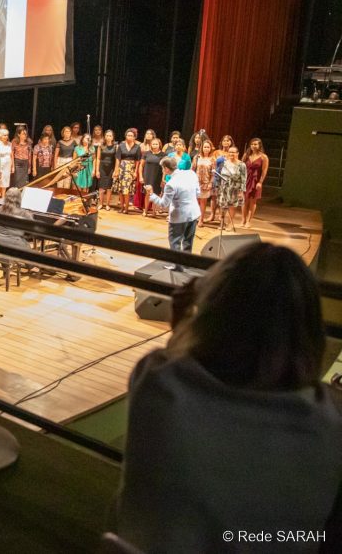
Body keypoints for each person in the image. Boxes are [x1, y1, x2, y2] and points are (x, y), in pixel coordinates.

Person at [117, 243, 342, 554]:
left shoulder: (157, 381)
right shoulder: (332, 418)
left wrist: (182, 325)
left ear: (211, 312)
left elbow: (177, 364)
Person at [145, 156, 200, 262]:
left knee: (175, 242)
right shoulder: (191, 174)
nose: (162, 170)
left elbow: (163, 204)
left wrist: (151, 194)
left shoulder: (171, 184)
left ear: (166, 169)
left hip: (179, 217)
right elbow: (198, 193)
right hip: (193, 213)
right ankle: (187, 263)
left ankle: (177, 265)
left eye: (162, 168)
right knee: (188, 242)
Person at [242, 137, 269, 229]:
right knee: (244, 201)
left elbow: (264, 171)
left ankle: (248, 221)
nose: (253, 146)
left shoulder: (263, 157)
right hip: (246, 179)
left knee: (252, 201)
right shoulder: (246, 155)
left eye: (256, 144)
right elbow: (241, 167)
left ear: (259, 145)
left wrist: (260, 182)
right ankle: (243, 220)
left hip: (255, 180)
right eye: (252, 144)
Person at [217, 146, 246, 231]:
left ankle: (230, 223)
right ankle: (222, 223)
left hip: (235, 188)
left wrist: (241, 191)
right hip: (224, 187)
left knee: (232, 206)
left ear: (237, 153)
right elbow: (220, 175)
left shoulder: (241, 164)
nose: (231, 154)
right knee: (222, 206)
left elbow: (244, 179)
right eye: (230, 152)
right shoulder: (224, 163)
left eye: (233, 152)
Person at [113, 129, 142, 214]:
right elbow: (118, 158)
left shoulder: (137, 147)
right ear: (126, 136)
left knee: (127, 190)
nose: (129, 137)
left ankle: (126, 208)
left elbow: (138, 160)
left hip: (130, 169)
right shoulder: (121, 145)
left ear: (134, 137)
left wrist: (135, 171)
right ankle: (121, 207)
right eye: (128, 135)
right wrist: (116, 170)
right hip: (122, 168)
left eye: (131, 136)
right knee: (121, 189)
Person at [140, 138, 165, 218]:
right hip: (147, 176)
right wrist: (141, 176)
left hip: (158, 176)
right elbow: (141, 165)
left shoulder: (163, 155)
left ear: (159, 145)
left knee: (156, 194)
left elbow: (164, 169)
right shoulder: (147, 153)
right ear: (151, 145)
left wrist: (163, 179)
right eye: (153, 144)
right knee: (147, 194)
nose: (155, 146)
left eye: (156, 144)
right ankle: (145, 210)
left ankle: (154, 211)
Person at [193, 139, 215, 226]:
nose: (206, 149)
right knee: (196, 201)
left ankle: (201, 219)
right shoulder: (197, 157)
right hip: (196, 183)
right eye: (205, 147)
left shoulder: (212, 159)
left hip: (206, 183)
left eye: (208, 147)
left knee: (203, 202)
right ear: (202, 148)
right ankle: (195, 217)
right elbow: (192, 169)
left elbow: (213, 174)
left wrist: (210, 183)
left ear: (210, 148)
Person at [96, 129, 117, 211]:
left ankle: (107, 204)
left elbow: (117, 160)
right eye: (107, 135)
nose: (108, 137)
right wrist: (97, 170)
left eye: (110, 136)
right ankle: (101, 204)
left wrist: (115, 170)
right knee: (101, 187)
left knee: (109, 187)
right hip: (102, 168)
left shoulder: (116, 146)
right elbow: (98, 158)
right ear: (105, 136)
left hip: (111, 168)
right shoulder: (101, 146)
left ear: (113, 137)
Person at [0, 128, 13, 199]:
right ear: (0, 136)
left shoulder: (10, 144)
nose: (6, 137)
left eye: (7, 135)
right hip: (0, 165)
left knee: (5, 183)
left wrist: (12, 166)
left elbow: (11, 156)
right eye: (4, 135)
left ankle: (3, 198)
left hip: (7, 166)